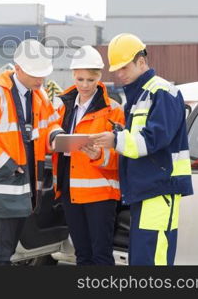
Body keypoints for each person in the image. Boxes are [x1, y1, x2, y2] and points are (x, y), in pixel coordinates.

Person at [92, 33, 193, 266]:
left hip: (159, 189)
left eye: (123, 67)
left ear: (141, 61)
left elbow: (152, 140)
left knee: (152, 261)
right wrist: (117, 135)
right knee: (141, 260)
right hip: (145, 190)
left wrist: (115, 139)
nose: (119, 74)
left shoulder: (162, 92)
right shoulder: (139, 97)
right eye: (115, 70)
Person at [0, 39, 57, 265]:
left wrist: (57, 137)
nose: (41, 79)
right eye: (36, 74)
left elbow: (51, 125)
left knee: (13, 253)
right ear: (18, 69)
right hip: (4, 185)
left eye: (43, 74)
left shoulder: (40, 95)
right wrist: (6, 165)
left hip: (27, 189)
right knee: (0, 252)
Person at [47, 45, 124, 265]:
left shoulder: (114, 110)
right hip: (70, 190)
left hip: (100, 194)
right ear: (73, 75)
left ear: (99, 77)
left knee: (100, 255)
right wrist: (55, 136)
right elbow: (49, 129)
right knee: (81, 254)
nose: (84, 85)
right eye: (80, 79)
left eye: (90, 80)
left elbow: (121, 155)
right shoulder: (62, 106)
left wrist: (99, 155)